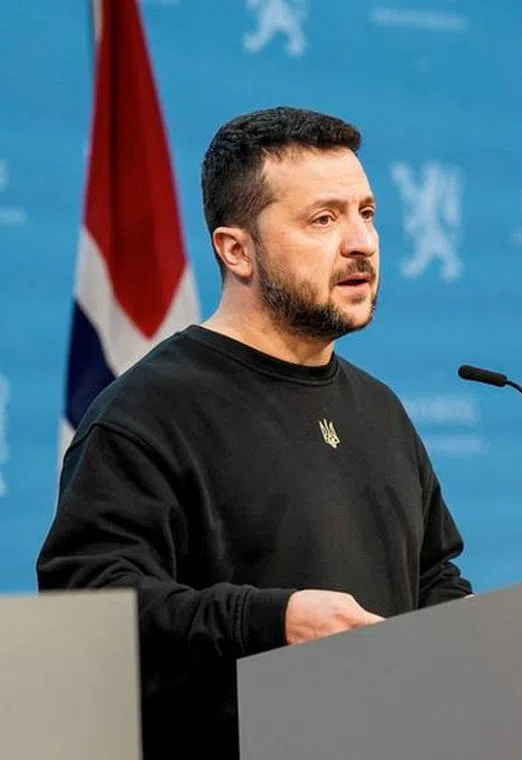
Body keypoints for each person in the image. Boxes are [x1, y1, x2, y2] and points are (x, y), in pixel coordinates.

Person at [37, 106, 474, 760]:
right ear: (236, 249)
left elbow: (435, 577)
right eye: (323, 219)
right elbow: (90, 605)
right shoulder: (145, 414)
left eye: (367, 212)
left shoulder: (380, 410)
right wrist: (271, 621)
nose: (361, 242)